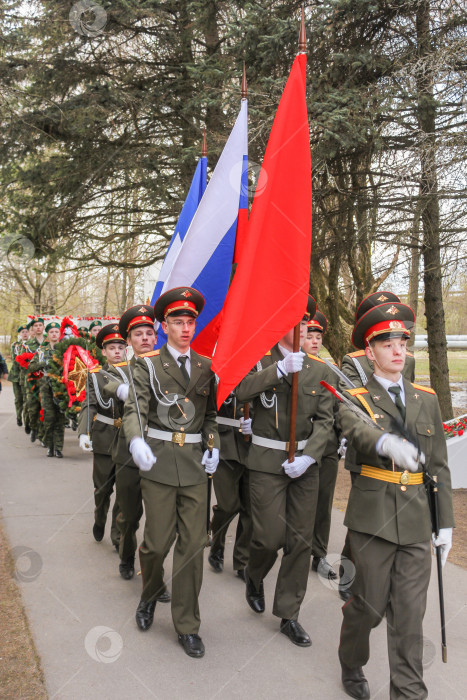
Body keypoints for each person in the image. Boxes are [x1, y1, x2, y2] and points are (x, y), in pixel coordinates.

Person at [337, 300, 454, 700]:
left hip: (419, 521)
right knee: (367, 609)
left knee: (409, 618)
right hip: (373, 521)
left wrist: (446, 524)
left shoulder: (427, 399)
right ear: (369, 352)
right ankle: (351, 661)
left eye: (402, 341)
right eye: (387, 343)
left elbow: (438, 466)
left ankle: (408, 693)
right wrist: (386, 441)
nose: (398, 349)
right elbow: (357, 431)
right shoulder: (354, 396)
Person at [122, 287, 219, 659]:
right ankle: (149, 594)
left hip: (195, 466)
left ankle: (187, 625)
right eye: (177, 322)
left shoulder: (206, 367)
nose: (185, 328)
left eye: (190, 321)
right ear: (164, 326)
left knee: (193, 547)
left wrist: (213, 445)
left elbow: (209, 416)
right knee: (157, 544)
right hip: (159, 462)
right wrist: (136, 440)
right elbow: (135, 407)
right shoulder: (146, 365)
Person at [235, 296, 334, 647]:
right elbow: (239, 391)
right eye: (298, 323)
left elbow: (326, 420)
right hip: (266, 462)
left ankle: (289, 613)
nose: (304, 329)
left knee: (300, 542)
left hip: (305, 467)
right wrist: (277, 371)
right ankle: (254, 571)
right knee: (269, 536)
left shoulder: (319, 369)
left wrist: (311, 456)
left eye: (307, 324)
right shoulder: (259, 358)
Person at [339, 292, 417, 601]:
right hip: (368, 451)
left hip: (399, 449)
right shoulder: (353, 362)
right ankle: (350, 574)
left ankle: (383, 573)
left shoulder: (406, 360)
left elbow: (408, 397)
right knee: (363, 519)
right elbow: (346, 402)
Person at [102, 305, 157, 580]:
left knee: (159, 523)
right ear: (129, 341)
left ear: (156, 338)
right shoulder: (122, 368)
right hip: (127, 452)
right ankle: (126, 555)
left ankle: (152, 576)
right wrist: (120, 388)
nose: (145, 338)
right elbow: (106, 382)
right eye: (138, 334)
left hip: (161, 453)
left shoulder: (166, 369)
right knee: (130, 515)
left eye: (149, 333)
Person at [78, 323, 126, 549]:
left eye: (121, 347)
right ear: (104, 351)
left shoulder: (137, 373)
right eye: (112, 348)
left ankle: (118, 537)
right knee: (103, 489)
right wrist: (84, 432)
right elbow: (89, 404)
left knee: (125, 493)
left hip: (127, 440)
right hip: (105, 438)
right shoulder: (96, 376)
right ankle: (99, 517)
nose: (117, 351)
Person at [303, 310, 341, 579]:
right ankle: (294, 548)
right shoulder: (289, 367)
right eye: (310, 335)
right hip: (299, 446)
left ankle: (319, 554)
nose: (315, 341)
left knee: (323, 502)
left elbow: (339, 408)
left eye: (318, 337)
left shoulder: (329, 371)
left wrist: (345, 436)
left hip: (326, 447)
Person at [208, 390, 252, 579]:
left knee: (250, 508)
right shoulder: (215, 369)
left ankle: (243, 560)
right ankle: (217, 544)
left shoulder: (264, 368)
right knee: (228, 505)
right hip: (224, 444)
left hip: (253, 446)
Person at [28, 322, 66, 457]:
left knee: (60, 418)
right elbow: (31, 367)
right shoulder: (41, 351)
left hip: (61, 387)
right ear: (48, 335)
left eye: (56, 332)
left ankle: (59, 448)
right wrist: (44, 363)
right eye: (51, 332)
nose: (54, 334)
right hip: (45, 386)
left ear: (60, 334)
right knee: (49, 417)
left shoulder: (65, 349)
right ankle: (50, 445)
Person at [25, 317, 46, 445]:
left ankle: (42, 435)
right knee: (33, 409)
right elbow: (24, 362)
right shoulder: (27, 345)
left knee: (45, 408)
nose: (38, 327)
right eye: (36, 325)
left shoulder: (48, 342)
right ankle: (34, 427)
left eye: (40, 325)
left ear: (43, 327)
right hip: (32, 381)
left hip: (45, 380)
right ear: (32, 328)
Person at [9, 325, 30, 425]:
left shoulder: (31, 344)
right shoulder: (15, 345)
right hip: (16, 375)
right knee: (18, 398)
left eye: (26, 331)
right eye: (23, 332)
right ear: (19, 334)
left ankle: (27, 420)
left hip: (27, 376)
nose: (25, 334)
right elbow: (15, 359)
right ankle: (18, 416)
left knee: (27, 398)